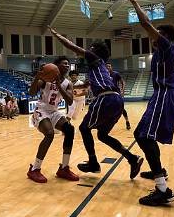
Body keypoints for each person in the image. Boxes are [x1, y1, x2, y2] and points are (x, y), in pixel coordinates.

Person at [48, 26, 143, 180]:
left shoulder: (95, 59)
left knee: (84, 128)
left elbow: (72, 47)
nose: (88, 49)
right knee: (102, 135)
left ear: (95, 51)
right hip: (116, 101)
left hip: (106, 98)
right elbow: (85, 85)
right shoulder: (100, 69)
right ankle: (132, 158)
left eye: (91, 48)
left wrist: (57, 35)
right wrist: (63, 86)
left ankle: (93, 163)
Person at [128, 0, 174, 206]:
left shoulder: (167, 47)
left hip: (164, 96)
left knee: (144, 136)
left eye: (157, 35)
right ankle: (158, 171)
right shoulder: (160, 53)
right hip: (160, 97)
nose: (152, 37)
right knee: (142, 134)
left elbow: (144, 23)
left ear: (164, 37)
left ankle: (163, 190)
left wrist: (134, 1)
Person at [27, 57, 79, 183]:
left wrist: (59, 85)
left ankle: (64, 168)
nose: (67, 65)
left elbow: (70, 101)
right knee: (49, 134)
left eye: (68, 64)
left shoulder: (68, 83)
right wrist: (37, 77)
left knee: (70, 129)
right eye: (64, 63)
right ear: (55, 66)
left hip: (54, 111)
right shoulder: (45, 80)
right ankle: (34, 169)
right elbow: (31, 92)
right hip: (41, 110)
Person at [106, 63, 131, 130]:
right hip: (108, 94)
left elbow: (123, 82)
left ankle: (127, 121)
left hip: (117, 93)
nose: (108, 67)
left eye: (109, 66)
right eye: (107, 66)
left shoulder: (116, 74)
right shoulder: (104, 75)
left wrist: (122, 90)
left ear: (111, 67)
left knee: (122, 108)